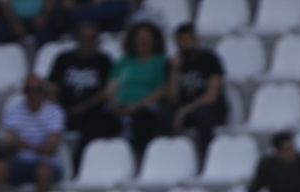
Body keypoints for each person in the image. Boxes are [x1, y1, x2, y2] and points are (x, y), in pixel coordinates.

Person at [0, 75, 65, 192]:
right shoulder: (14, 111)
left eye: (37, 89)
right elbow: (8, 143)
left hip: (47, 163)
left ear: (43, 92)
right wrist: (34, 147)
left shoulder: (55, 112)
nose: (33, 94)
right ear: (24, 92)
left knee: (43, 172)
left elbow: (50, 149)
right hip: (19, 161)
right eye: (29, 90)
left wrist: (21, 144)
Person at [48, 21, 118, 145]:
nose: (88, 42)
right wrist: (59, 109)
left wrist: (83, 107)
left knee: (106, 122)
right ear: (78, 39)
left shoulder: (104, 61)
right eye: (84, 38)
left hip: (93, 111)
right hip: (64, 110)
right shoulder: (63, 59)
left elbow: (106, 91)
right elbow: (53, 87)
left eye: (92, 38)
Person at [110, 21, 169, 157]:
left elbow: (162, 89)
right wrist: (115, 104)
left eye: (147, 37)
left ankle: (140, 157)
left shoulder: (161, 61)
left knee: (142, 120)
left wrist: (136, 106)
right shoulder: (123, 62)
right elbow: (111, 87)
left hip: (146, 107)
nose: (143, 40)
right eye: (139, 36)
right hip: (121, 107)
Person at [167, 22, 227, 149]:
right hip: (184, 107)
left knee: (202, 115)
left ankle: (206, 154)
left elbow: (212, 95)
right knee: (164, 114)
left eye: (189, 38)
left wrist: (184, 111)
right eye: (182, 40)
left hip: (208, 106)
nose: (186, 43)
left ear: (196, 39)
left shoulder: (209, 59)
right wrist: (174, 71)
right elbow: (173, 97)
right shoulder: (173, 62)